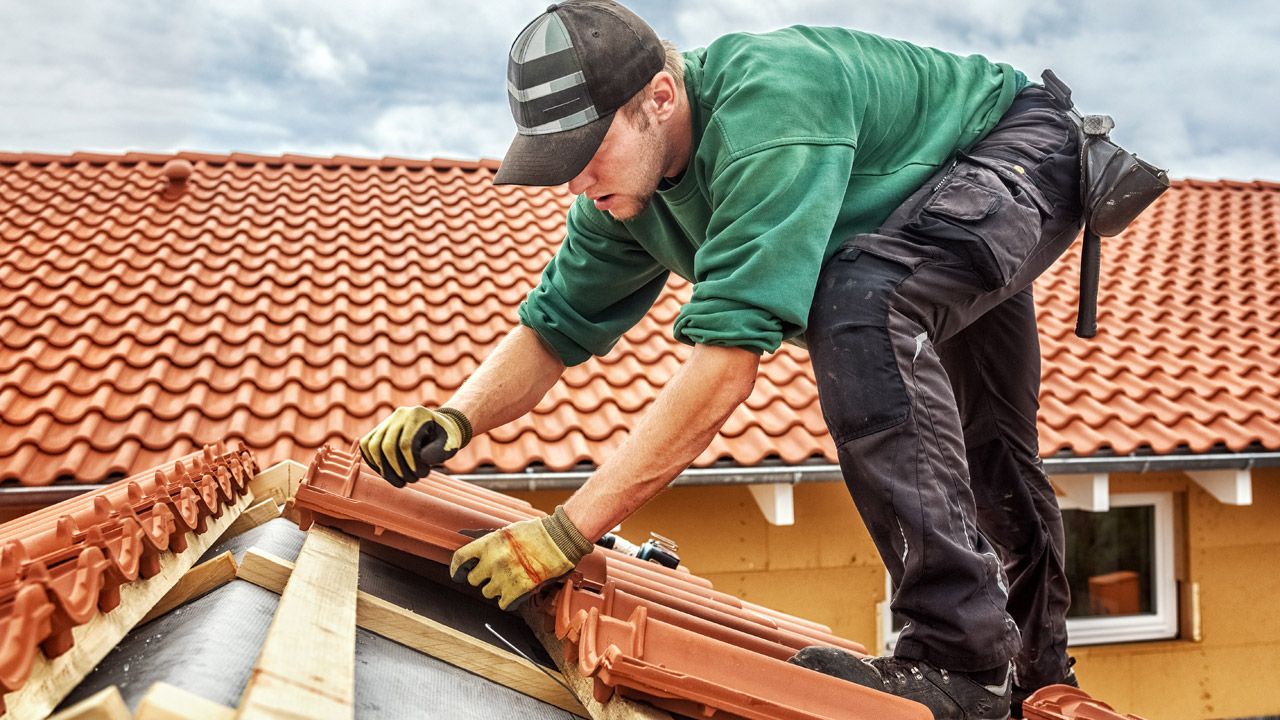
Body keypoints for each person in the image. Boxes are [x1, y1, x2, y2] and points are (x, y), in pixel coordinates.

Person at [359, 1, 1085, 718]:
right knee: (984, 440)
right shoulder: (626, 197)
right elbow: (553, 329)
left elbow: (725, 369)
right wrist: (455, 415)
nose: (576, 181)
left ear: (661, 97)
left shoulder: (768, 111)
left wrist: (565, 532)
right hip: (923, 209)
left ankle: (963, 659)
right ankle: (1038, 684)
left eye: (585, 152)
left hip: (1017, 148)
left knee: (862, 307)